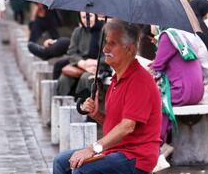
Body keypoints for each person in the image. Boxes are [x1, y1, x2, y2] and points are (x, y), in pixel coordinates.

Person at [53, 18, 162, 174]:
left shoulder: (140, 81)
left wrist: (92, 148)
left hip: (136, 157)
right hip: (116, 150)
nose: (105, 49)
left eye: (113, 43)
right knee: (61, 161)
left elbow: (127, 127)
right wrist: (96, 114)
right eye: (106, 42)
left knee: (81, 171)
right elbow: (114, 124)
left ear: (130, 49)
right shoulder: (116, 79)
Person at [150, 28, 205, 143]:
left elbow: (157, 68)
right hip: (197, 92)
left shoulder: (166, 36)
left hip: (182, 91)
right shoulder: (179, 35)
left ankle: (155, 141)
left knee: (153, 101)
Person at [56, 12, 105, 100]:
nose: (87, 20)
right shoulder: (78, 31)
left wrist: (95, 62)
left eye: (89, 16)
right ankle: (63, 107)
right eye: (83, 17)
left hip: (97, 66)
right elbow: (71, 53)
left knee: (86, 78)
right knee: (64, 79)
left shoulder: (104, 32)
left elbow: (109, 56)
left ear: (96, 16)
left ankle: (82, 108)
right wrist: (82, 63)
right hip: (80, 64)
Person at [190, 0, 208, 81]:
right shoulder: (198, 23)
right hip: (203, 64)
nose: (206, 15)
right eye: (205, 12)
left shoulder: (190, 19)